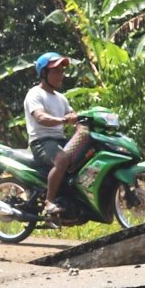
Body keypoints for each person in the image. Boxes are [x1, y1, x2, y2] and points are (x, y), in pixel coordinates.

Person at [24, 51, 90, 217]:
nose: (61, 75)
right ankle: (49, 202)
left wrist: (85, 123)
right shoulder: (35, 94)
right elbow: (41, 117)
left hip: (59, 140)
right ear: (44, 73)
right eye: (56, 71)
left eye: (62, 71)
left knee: (88, 155)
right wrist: (63, 120)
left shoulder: (61, 98)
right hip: (41, 141)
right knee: (63, 159)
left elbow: (75, 118)